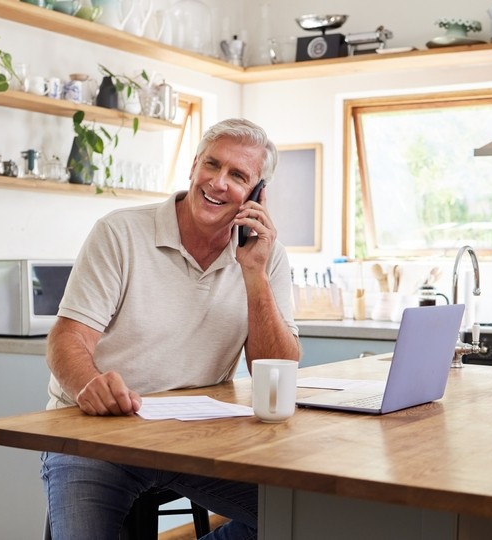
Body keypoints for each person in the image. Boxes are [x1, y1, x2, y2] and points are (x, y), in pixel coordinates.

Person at [41, 118, 302, 539]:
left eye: (237, 175)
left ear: (257, 194)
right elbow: (66, 338)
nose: (218, 183)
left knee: (304, 517)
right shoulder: (119, 232)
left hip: (197, 438)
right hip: (98, 435)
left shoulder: (267, 256)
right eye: (212, 165)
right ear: (194, 166)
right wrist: (89, 385)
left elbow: (276, 372)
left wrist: (254, 274)